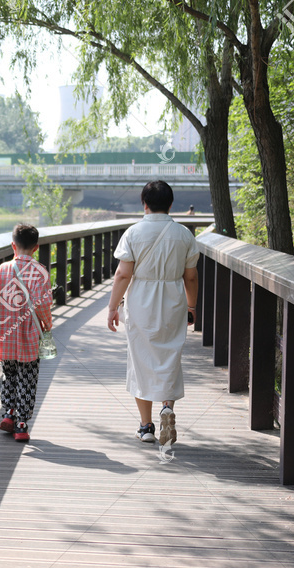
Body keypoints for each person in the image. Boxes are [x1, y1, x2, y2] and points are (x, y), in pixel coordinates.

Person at [107, 181, 200, 448]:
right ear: (171, 204)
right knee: (169, 356)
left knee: (140, 361)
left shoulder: (133, 233)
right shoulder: (184, 235)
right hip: (173, 301)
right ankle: (167, 408)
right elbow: (191, 276)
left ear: (144, 203)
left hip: (141, 303)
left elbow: (123, 274)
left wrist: (113, 307)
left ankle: (145, 426)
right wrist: (191, 306)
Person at [0, 223, 54, 442]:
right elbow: (44, 305)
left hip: (6, 333)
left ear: (13, 246)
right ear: (36, 248)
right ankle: (22, 425)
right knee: (28, 377)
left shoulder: (2, 269)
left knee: (8, 373)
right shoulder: (40, 271)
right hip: (29, 334)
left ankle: (8, 412)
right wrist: (47, 324)